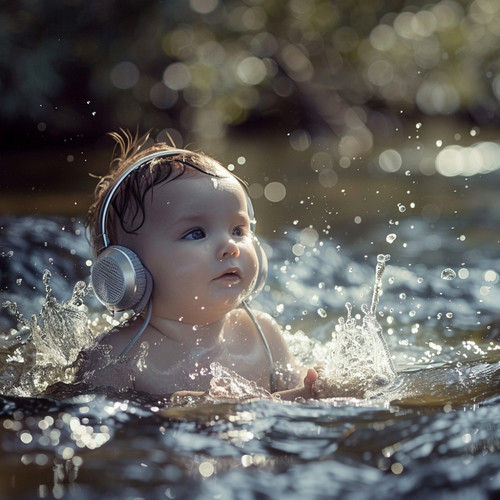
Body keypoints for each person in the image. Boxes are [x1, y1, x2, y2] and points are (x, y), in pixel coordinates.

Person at [79, 130, 319, 401]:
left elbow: (299, 398)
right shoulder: (117, 357)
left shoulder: (262, 334)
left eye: (238, 230)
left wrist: (314, 390)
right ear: (128, 270)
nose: (231, 246)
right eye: (196, 233)